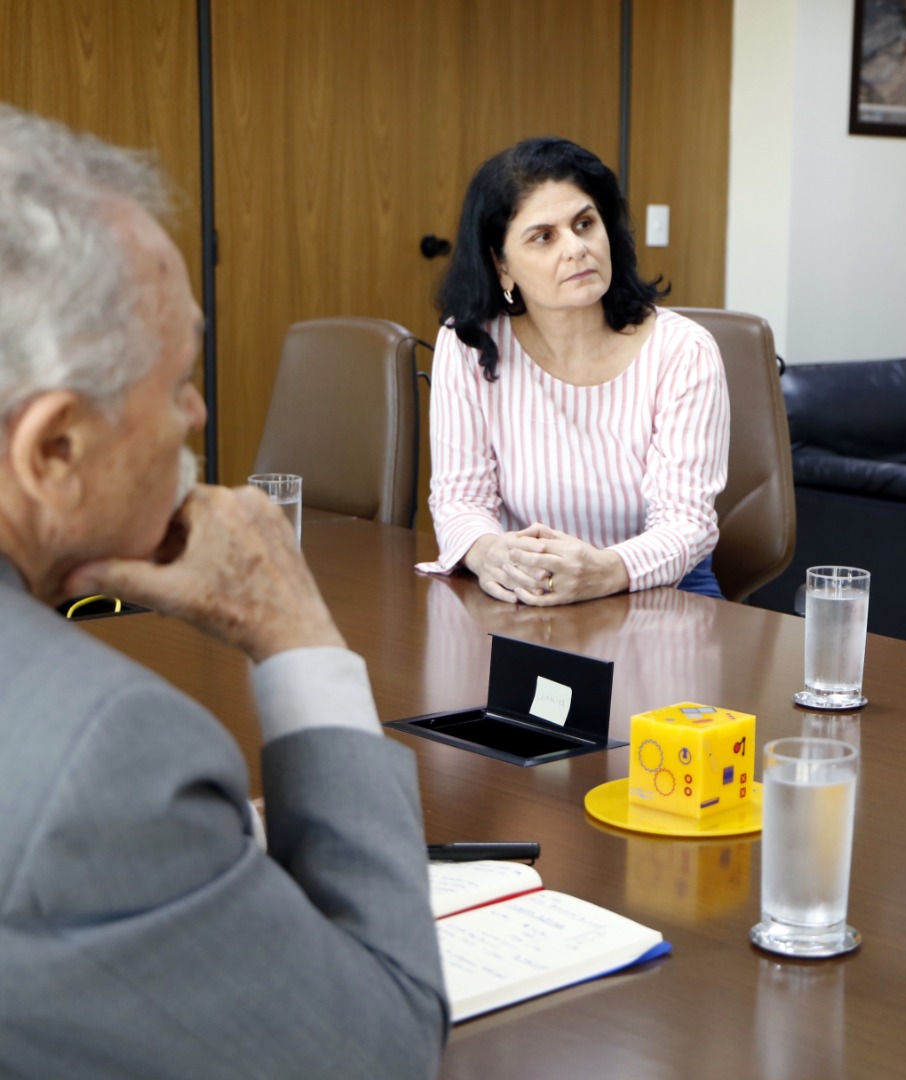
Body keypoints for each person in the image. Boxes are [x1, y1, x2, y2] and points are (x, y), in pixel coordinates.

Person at [0, 108, 446, 1077]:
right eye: (181, 385)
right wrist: (296, 631)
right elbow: (381, 1052)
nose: (200, 415)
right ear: (53, 451)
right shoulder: (102, 758)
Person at [416, 137, 730, 605]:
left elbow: (687, 524)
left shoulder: (684, 351)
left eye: (585, 224)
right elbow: (460, 498)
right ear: (501, 265)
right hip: (526, 591)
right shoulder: (469, 343)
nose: (577, 248)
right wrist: (488, 553)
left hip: (660, 591)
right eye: (544, 237)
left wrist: (605, 570)